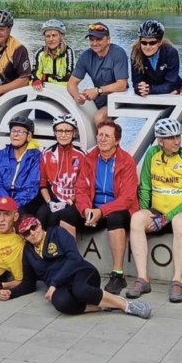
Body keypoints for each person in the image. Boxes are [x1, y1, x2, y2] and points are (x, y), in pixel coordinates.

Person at [1, 215, 153, 319]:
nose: (32, 233)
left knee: (80, 290)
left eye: (33, 227)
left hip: (81, 271)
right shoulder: (28, 251)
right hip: (61, 285)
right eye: (27, 233)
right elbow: (28, 282)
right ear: (23, 237)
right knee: (60, 303)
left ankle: (126, 305)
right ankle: (104, 306)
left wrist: (53, 284)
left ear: (39, 224)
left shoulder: (57, 232)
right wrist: (11, 293)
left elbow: (74, 258)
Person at [126, 118, 182, 303]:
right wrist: (146, 212)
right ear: (160, 141)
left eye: (178, 136)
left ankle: (177, 281)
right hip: (157, 210)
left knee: (179, 221)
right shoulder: (152, 154)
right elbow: (144, 187)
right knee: (136, 218)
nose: (177, 141)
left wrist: (167, 217)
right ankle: (143, 279)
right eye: (171, 138)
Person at [74, 119, 139, 295]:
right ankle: (69, 265)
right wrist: (86, 210)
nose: (102, 139)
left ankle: (118, 275)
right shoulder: (89, 158)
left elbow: (127, 198)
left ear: (117, 141)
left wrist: (101, 211)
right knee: (66, 215)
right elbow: (80, 189)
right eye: (100, 135)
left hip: (117, 210)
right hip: (93, 208)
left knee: (115, 217)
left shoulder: (126, 161)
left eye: (107, 136)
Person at [69, 23, 130, 126]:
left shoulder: (119, 53)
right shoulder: (86, 56)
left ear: (108, 39)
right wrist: (78, 97)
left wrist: (97, 91)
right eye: (91, 40)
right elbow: (71, 83)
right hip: (99, 99)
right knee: (75, 118)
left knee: (99, 117)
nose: (94, 43)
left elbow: (122, 84)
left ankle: (108, 140)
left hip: (119, 97)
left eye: (99, 39)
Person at [37, 114, 87, 236]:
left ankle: (60, 252)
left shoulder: (82, 155)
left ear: (74, 133)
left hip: (73, 200)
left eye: (68, 131)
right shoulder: (46, 154)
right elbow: (42, 183)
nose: (63, 135)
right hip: (53, 198)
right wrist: (49, 202)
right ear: (54, 132)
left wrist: (69, 202)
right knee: (40, 217)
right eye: (59, 130)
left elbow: (84, 187)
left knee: (56, 219)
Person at [0, 115, 43, 216]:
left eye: (20, 132)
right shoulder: (0, 155)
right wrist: (6, 202)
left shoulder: (35, 156)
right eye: (13, 131)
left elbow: (31, 186)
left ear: (29, 136)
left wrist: (14, 205)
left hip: (25, 202)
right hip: (3, 198)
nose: (15, 135)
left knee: (17, 216)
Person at [130, 20, 182, 96]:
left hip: (173, 92)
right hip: (148, 94)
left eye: (152, 43)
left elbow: (171, 84)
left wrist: (150, 89)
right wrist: (140, 88)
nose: (147, 47)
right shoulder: (135, 54)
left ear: (159, 42)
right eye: (144, 43)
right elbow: (136, 82)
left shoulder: (171, 53)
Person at [31, 19, 76, 89]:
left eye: (54, 35)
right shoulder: (39, 53)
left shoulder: (68, 52)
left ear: (61, 37)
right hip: (44, 91)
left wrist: (47, 77)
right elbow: (34, 75)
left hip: (63, 92)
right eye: (48, 36)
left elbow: (70, 78)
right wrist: (36, 80)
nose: (51, 39)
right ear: (45, 38)